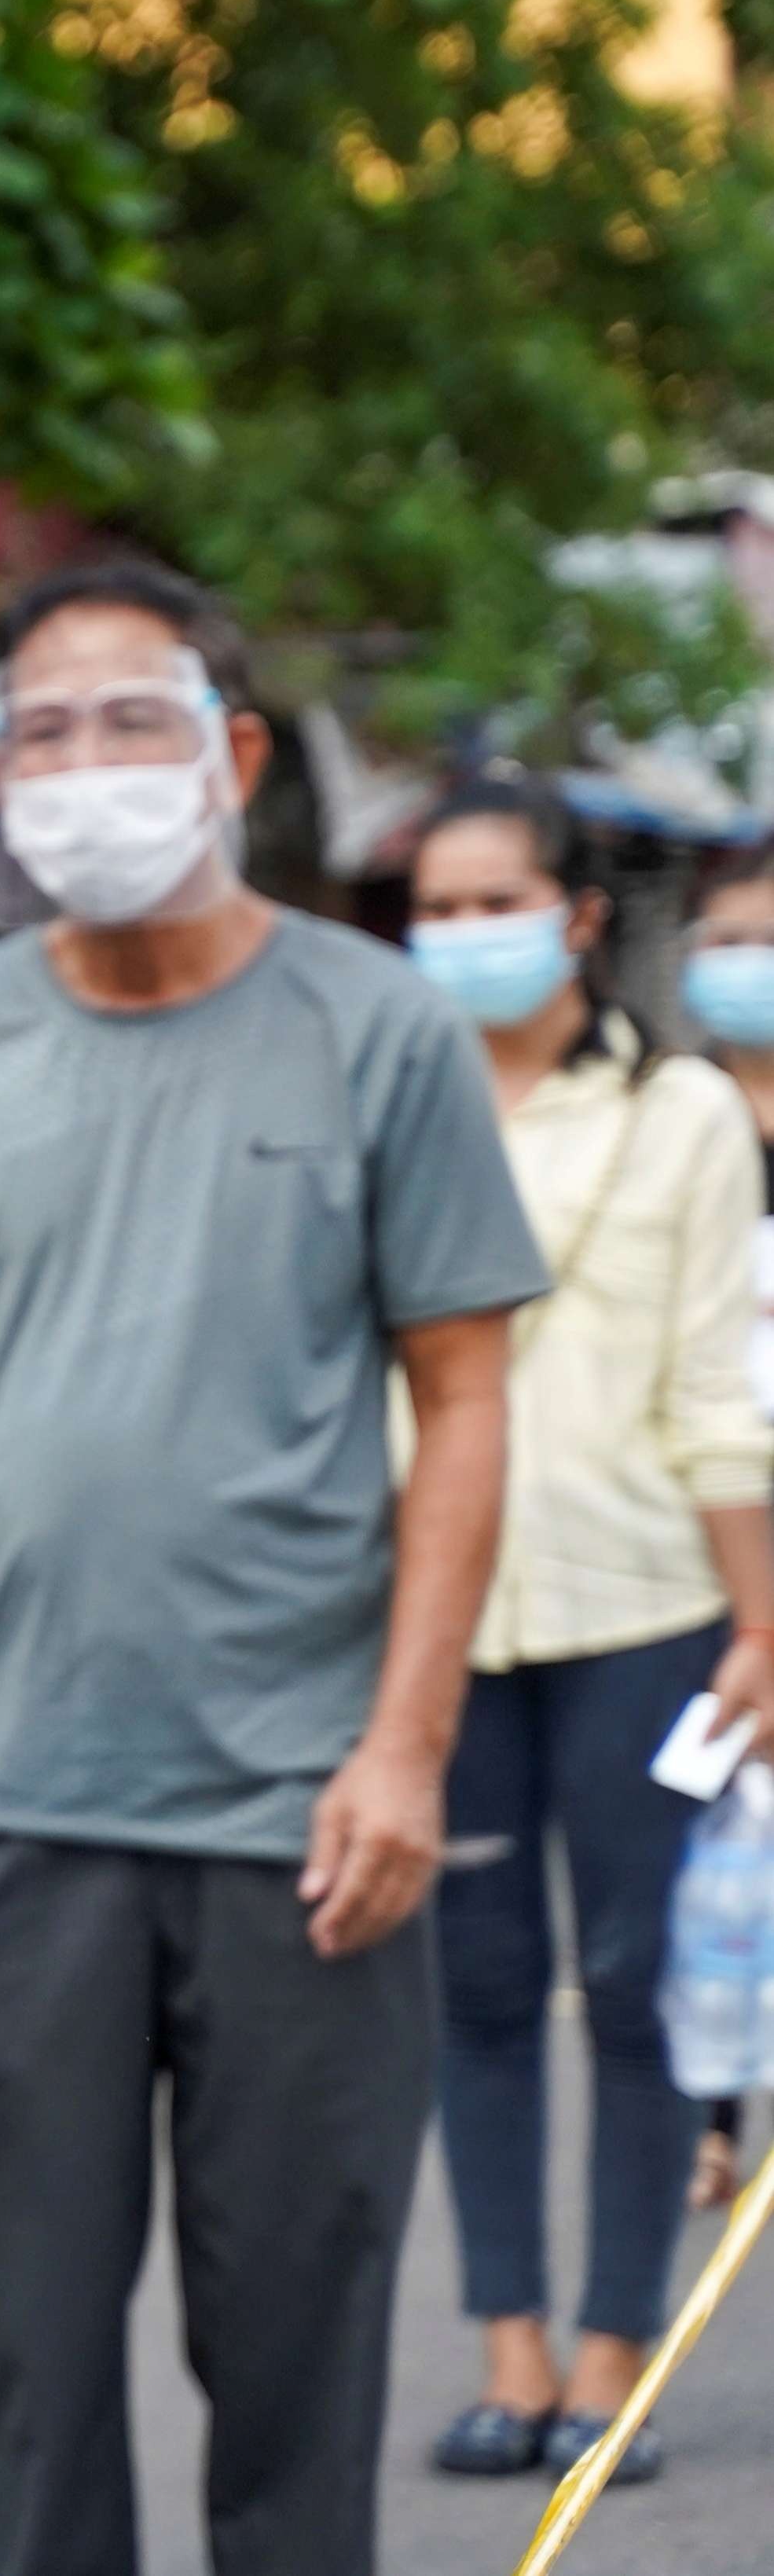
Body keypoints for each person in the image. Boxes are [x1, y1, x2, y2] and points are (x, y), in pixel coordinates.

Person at [0, 562, 546, 2576]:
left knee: (294, 2372)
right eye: (38, 729)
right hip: (13, 1812)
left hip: (311, 1822)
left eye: (134, 722)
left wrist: (406, 1748)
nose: (83, 767)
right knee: (19, 2383)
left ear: (235, 759)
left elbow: (459, 1401)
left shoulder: (376, 1033)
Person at [396, 778, 774, 2486]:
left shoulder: (683, 1112)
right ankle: (507, 2356)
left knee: (631, 1989)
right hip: (431, 1622)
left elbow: (715, 1382)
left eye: (492, 899)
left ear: (568, 918)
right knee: (469, 1990)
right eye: (433, 901)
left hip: (641, 1609)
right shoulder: (383, 1094)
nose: (458, 930)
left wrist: (757, 1616)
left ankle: (610, 2360)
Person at [672, 839, 774, 2211]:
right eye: (726, 939)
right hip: (706, 1519)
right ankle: (706, 2108)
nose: (744, 965)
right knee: (701, 1820)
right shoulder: (676, 1119)